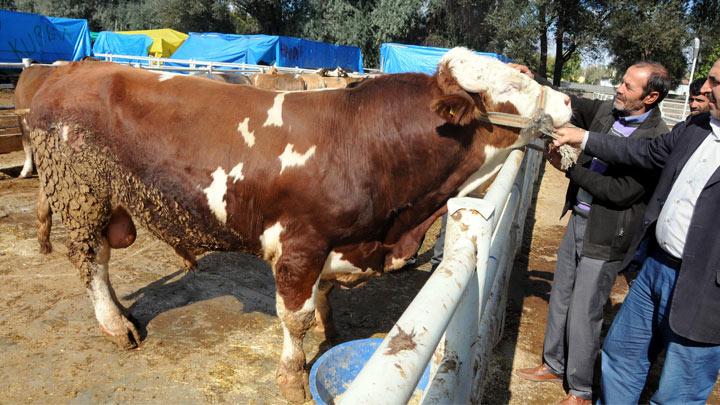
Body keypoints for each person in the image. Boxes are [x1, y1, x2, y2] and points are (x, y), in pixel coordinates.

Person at [552, 58, 720, 404]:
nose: (703, 89)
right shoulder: (696, 127)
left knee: (678, 388)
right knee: (621, 358)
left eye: (715, 82)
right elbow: (639, 151)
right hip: (656, 268)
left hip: (706, 288)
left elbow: (623, 188)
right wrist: (584, 138)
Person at [516, 62, 671, 405]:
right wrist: (534, 78)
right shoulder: (608, 112)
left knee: (586, 310)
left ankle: (581, 389)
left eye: (629, 87)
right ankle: (554, 364)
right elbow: (568, 100)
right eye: (622, 81)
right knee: (561, 296)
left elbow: (621, 193)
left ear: (652, 97)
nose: (619, 88)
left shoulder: (655, 141)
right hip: (579, 221)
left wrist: (570, 169)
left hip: (607, 234)